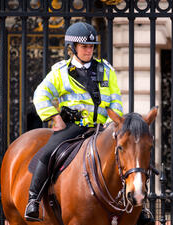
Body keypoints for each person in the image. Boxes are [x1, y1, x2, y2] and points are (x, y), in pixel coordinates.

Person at [24, 22, 123, 221]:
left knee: (128, 154)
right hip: (73, 128)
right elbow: (40, 95)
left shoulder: (106, 71)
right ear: (73, 48)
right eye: (85, 46)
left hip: (102, 128)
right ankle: (33, 199)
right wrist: (55, 118)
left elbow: (115, 101)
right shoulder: (60, 72)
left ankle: (136, 205)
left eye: (92, 46)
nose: (89, 50)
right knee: (49, 151)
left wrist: (118, 124)